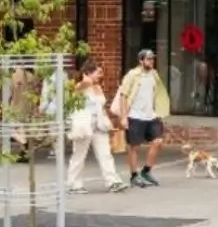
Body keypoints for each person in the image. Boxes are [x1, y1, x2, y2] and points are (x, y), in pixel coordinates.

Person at [67, 59, 128, 195]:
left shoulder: (98, 87)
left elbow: (101, 106)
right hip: (84, 125)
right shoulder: (81, 86)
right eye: (98, 72)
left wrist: (108, 123)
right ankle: (74, 184)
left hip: (98, 124)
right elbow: (80, 85)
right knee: (79, 154)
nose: (100, 75)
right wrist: (86, 76)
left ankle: (112, 181)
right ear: (89, 72)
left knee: (105, 154)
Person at [113, 48, 170, 188]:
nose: (151, 61)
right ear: (141, 60)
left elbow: (158, 93)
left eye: (152, 59)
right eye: (148, 59)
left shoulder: (154, 74)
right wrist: (124, 117)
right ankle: (133, 175)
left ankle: (146, 171)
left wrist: (160, 111)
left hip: (151, 115)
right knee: (134, 146)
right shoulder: (133, 75)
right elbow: (123, 95)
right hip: (135, 115)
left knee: (158, 141)